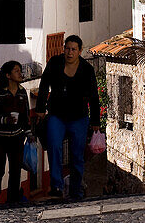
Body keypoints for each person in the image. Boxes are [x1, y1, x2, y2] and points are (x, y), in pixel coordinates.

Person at [33, 35, 100, 201]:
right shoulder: (55, 63)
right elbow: (43, 86)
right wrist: (40, 108)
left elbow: (94, 96)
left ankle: (75, 190)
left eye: (73, 49)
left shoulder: (86, 69)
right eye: (67, 48)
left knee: (77, 155)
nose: (69, 52)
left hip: (79, 117)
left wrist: (95, 121)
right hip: (57, 115)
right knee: (54, 146)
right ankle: (56, 185)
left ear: (80, 51)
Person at [0, 60, 31, 205]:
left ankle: (13, 201)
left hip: (16, 138)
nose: (20, 73)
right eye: (16, 71)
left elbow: (26, 115)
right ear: (8, 75)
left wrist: (28, 133)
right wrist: (4, 120)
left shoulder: (22, 92)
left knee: (16, 171)